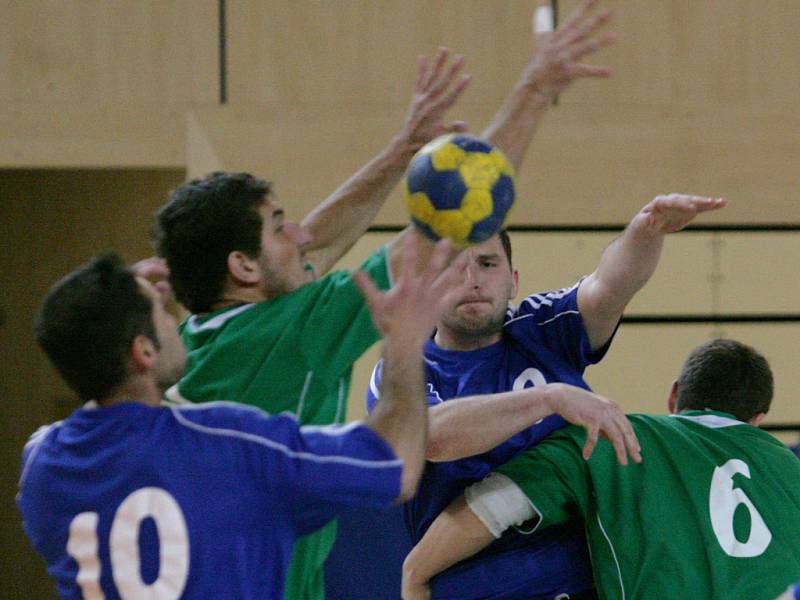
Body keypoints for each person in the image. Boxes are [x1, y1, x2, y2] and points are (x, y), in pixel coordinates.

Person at [152, 2, 620, 597]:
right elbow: (448, 225)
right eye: (279, 226)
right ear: (242, 267)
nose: (302, 234)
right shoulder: (288, 336)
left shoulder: (216, 330)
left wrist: (404, 147)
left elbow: (316, 242)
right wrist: (535, 87)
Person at [17, 234, 458, 599]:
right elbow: (396, 467)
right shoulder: (231, 446)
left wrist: (109, 310)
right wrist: (404, 346)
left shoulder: (43, 467)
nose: (176, 320)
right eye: (161, 312)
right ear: (143, 351)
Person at [401, 339, 800, 600]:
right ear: (758, 419)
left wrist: (418, 570)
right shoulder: (790, 471)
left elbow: (495, 504)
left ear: (675, 393)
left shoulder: (611, 436)